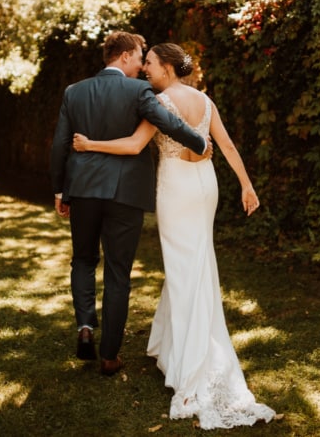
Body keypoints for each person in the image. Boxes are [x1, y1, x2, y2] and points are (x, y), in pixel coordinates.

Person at [72, 42, 276, 429]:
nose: (145, 68)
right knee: (197, 262)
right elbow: (227, 145)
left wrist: (89, 144)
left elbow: (134, 145)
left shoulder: (161, 102)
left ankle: (189, 365)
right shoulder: (205, 100)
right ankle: (170, 346)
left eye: (150, 63)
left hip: (178, 189)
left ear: (166, 67)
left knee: (184, 269)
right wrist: (247, 186)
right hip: (206, 187)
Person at [50, 31, 210, 377]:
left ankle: (85, 325)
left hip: (84, 190)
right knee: (119, 272)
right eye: (139, 56)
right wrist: (198, 141)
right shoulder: (139, 91)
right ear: (124, 56)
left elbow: (59, 145)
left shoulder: (74, 92)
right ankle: (109, 356)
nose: (141, 64)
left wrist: (61, 191)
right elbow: (167, 122)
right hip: (126, 194)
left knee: (83, 259)